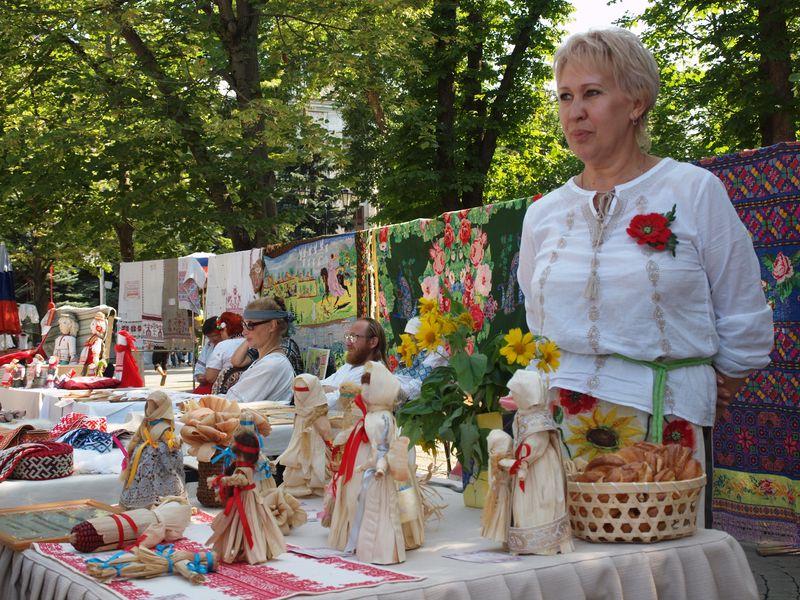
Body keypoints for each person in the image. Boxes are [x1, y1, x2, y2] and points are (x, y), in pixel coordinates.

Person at [517, 29, 773, 487]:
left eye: (592, 93)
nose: (575, 111)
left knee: (656, 551)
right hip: (562, 425)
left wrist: (716, 384)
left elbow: (743, 310)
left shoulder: (692, 191)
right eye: (565, 96)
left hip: (664, 418)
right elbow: (539, 326)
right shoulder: (543, 214)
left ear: (636, 102)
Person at [223, 297, 294, 404]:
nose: (244, 332)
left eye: (250, 325)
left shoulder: (272, 365)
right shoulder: (267, 361)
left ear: (272, 326)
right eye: (244, 325)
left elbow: (232, 402)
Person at [320, 317, 387, 409]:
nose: (348, 343)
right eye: (348, 336)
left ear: (373, 342)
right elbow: (315, 386)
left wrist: (332, 390)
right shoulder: (349, 366)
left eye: (354, 337)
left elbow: (330, 404)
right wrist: (332, 390)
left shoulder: (373, 372)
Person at [203, 312, 245, 391]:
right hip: (246, 389)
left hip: (226, 392)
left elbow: (210, 377)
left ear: (225, 328)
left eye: (220, 331)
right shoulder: (250, 343)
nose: (221, 334)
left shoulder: (223, 345)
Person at [193, 316, 222, 394]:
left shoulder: (228, 345)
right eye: (209, 337)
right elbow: (199, 369)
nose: (212, 339)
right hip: (207, 385)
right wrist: (199, 376)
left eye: (215, 335)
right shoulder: (208, 346)